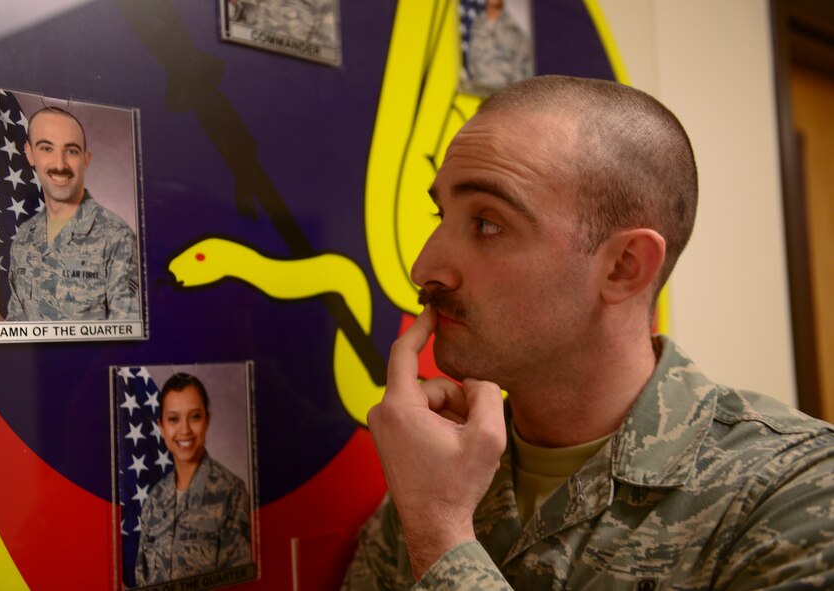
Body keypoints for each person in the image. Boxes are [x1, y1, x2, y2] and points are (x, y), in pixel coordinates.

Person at [342, 76, 834, 590]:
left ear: (624, 266)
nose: (424, 268)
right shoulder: (441, 473)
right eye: (440, 214)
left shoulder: (795, 491)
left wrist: (441, 534)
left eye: (488, 223)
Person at [5, 107, 140, 321]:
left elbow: (127, 338)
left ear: (86, 159)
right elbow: (15, 330)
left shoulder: (116, 238)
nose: (60, 164)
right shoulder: (23, 239)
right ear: (30, 154)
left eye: (71, 151)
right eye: (46, 148)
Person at [136, 373, 252, 585]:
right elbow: (142, 579)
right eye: (173, 419)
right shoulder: (154, 500)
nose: (185, 430)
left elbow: (239, 583)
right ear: (162, 427)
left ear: (207, 421)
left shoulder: (231, 492)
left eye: (195, 417)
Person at [465, 0, 532, 92]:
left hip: (504, 96)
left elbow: (523, 69)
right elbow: (471, 59)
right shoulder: (476, 24)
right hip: (477, 92)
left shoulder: (515, 30)